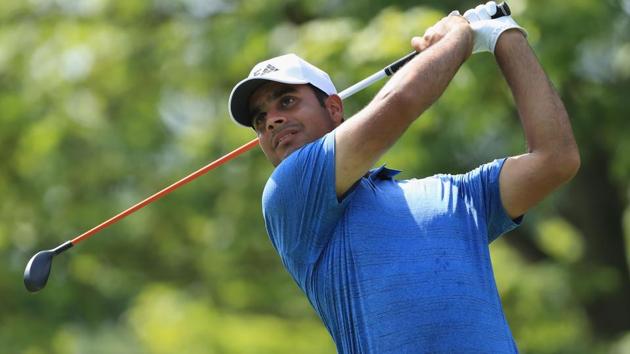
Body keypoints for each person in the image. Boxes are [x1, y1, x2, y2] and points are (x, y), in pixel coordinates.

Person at [227, 2, 580, 353]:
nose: (270, 120)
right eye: (260, 119)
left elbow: (555, 159)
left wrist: (504, 34)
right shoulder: (289, 191)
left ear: (334, 109)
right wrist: (459, 37)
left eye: (286, 101)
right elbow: (401, 102)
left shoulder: (454, 195)